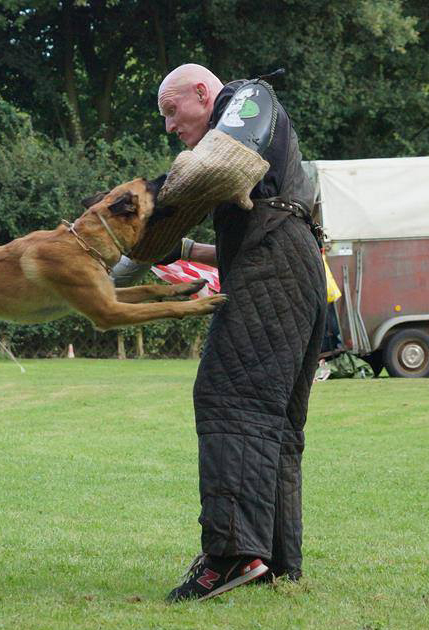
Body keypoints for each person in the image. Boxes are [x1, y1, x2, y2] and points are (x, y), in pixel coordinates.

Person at [151, 64, 327, 602]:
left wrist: (142, 209)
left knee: (231, 398)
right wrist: (174, 249)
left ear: (203, 94)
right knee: (273, 421)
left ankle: (231, 556)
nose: (168, 127)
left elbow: (214, 172)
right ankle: (275, 559)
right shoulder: (252, 141)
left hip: (274, 269)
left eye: (171, 111)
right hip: (289, 266)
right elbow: (252, 229)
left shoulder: (248, 99)